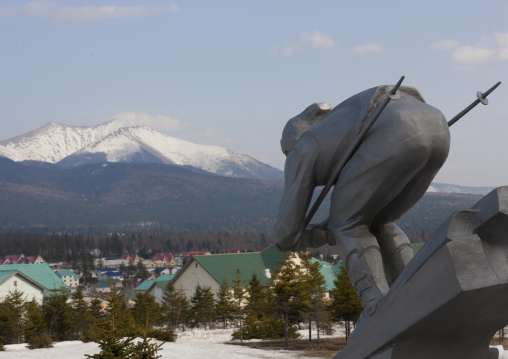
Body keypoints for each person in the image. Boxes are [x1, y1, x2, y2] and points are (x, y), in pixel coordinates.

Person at [273, 85, 450, 322]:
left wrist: (299, 238)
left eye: (287, 154)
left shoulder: (304, 145)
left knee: (347, 224)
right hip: (438, 126)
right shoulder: (337, 126)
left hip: (396, 131)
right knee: (381, 221)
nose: (289, 160)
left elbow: (286, 229)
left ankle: (376, 305)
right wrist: (324, 232)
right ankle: (418, 290)